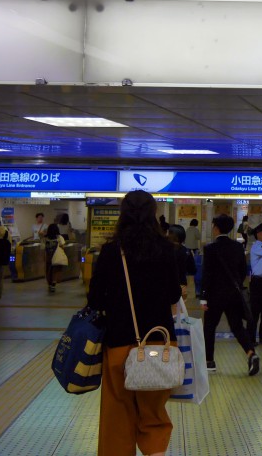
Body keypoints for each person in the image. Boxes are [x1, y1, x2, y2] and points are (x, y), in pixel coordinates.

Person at [85, 190, 181, 456]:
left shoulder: (111, 251)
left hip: (119, 342)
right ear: (153, 214)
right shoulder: (166, 249)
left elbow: (94, 299)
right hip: (159, 344)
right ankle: (155, 452)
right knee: (153, 409)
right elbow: (174, 294)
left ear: (122, 214)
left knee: (118, 410)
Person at [200, 214, 259, 376]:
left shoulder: (210, 248)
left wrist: (203, 297)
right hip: (233, 294)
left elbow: (207, 274)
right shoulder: (238, 247)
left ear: (217, 228)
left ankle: (209, 362)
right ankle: (250, 353)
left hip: (214, 295)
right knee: (237, 326)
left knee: (210, 327)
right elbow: (242, 272)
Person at [166, 224, 195, 300]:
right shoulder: (187, 252)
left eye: (169, 233)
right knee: (180, 309)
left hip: (165, 284)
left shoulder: (164, 250)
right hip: (182, 285)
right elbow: (192, 270)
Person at [44, 223, 65, 293]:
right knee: (55, 270)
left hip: (48, 257)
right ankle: (53, 284)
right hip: (56, 256)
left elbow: (42, 247)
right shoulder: (59, 237)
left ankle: (49, 284)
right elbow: (62, 247)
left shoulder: (46, 238)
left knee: (48, 270)